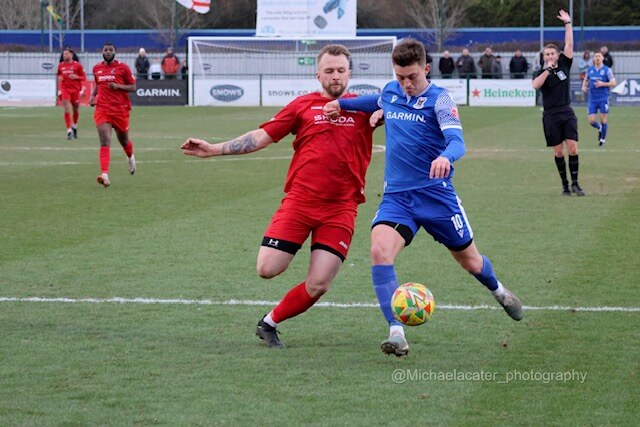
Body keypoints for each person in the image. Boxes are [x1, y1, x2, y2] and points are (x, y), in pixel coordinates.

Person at [323, 38, 524, 358]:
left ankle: (499, 291)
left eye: (412, 77)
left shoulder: (440, 100)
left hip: (437, 197)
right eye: (400, 77)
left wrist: (447, 157)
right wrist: (342, 104)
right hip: (398, 198)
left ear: (426, 69)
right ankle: (396, 332)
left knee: (470, 261)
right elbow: (375, 100)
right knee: (379, 250)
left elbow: (457, 141)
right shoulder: (391, 91)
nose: (406, 84)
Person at [180, 45, 377, 349]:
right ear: (318, 74)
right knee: (267, 269)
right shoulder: (301, 106)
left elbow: (399, 109)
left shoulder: (365, 107)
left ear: (350, 73)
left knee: (319, 283)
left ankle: (269, 323)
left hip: (340, 208)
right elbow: (261, 137)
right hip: (300, 202)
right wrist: (213, 149)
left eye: (340, 70)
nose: (335, 76)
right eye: (329, 71)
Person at [532, 10, 585, 197]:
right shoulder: (540, 72)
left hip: (566, 112)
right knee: (559, 152)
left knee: (573, 147)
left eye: (553, 53)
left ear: (557, 54)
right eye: (547, 54)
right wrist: (547, 70)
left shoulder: (564, 64)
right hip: (550, 115)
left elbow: (569, 43)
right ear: (544, 57)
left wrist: (568, 23)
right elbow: (535, 86)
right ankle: (564, 185)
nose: (550, 56)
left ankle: (576, 184)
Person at [88, 42, 137, 188]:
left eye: (111, 50)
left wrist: (118, 86)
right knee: (105, 140)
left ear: (115, 52)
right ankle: (104, 174)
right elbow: (98, 84)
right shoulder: (97, 68)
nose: (108, 52)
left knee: (124, 140)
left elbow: (133, 87)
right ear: (102, 52)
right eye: (105, 50)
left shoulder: (123, 68)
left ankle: (130, 157)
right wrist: (92, 96)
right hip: (102, 108)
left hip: (120, 110)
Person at [582, 51, 616, 146]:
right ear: (593, 59)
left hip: (603, 98)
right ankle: (600, 128)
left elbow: (613, 83)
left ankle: (602, 139)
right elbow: (586, 80)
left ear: (602, 58)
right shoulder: (590, 70)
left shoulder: (607, 70)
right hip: (592, 99)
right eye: (595, 56)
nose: (597, 58)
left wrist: (603, 84)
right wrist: (584, 87)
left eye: (599, 56)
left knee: (603, 119)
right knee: (591, 120)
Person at [57, 47, 86, 140]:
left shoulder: (78, 65)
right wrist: (60, 77)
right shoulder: (60, 65)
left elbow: (84, 77)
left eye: (66, 54)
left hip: (75, 90)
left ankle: (75, 126)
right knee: (66, 109)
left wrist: (76, 77)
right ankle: (69, 130)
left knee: (76, 110)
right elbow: (58, 74)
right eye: (64, 54)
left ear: (71, 55)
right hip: (65, 90)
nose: (65, 55)